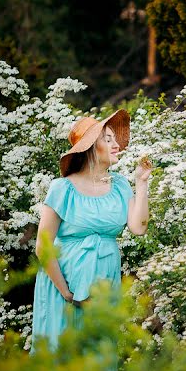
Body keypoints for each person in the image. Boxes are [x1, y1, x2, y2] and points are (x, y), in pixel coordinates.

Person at [30, 109, 151, 353]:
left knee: (98, 355)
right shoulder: (62, 188)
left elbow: (139, 227)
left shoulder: (120, 186)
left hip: (103, 284)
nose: (116, 145)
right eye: (108, 139)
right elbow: (43, 246)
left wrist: (142, 183)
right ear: (90, 148)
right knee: (61, 356)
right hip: (62, 286)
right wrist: (66, 292)